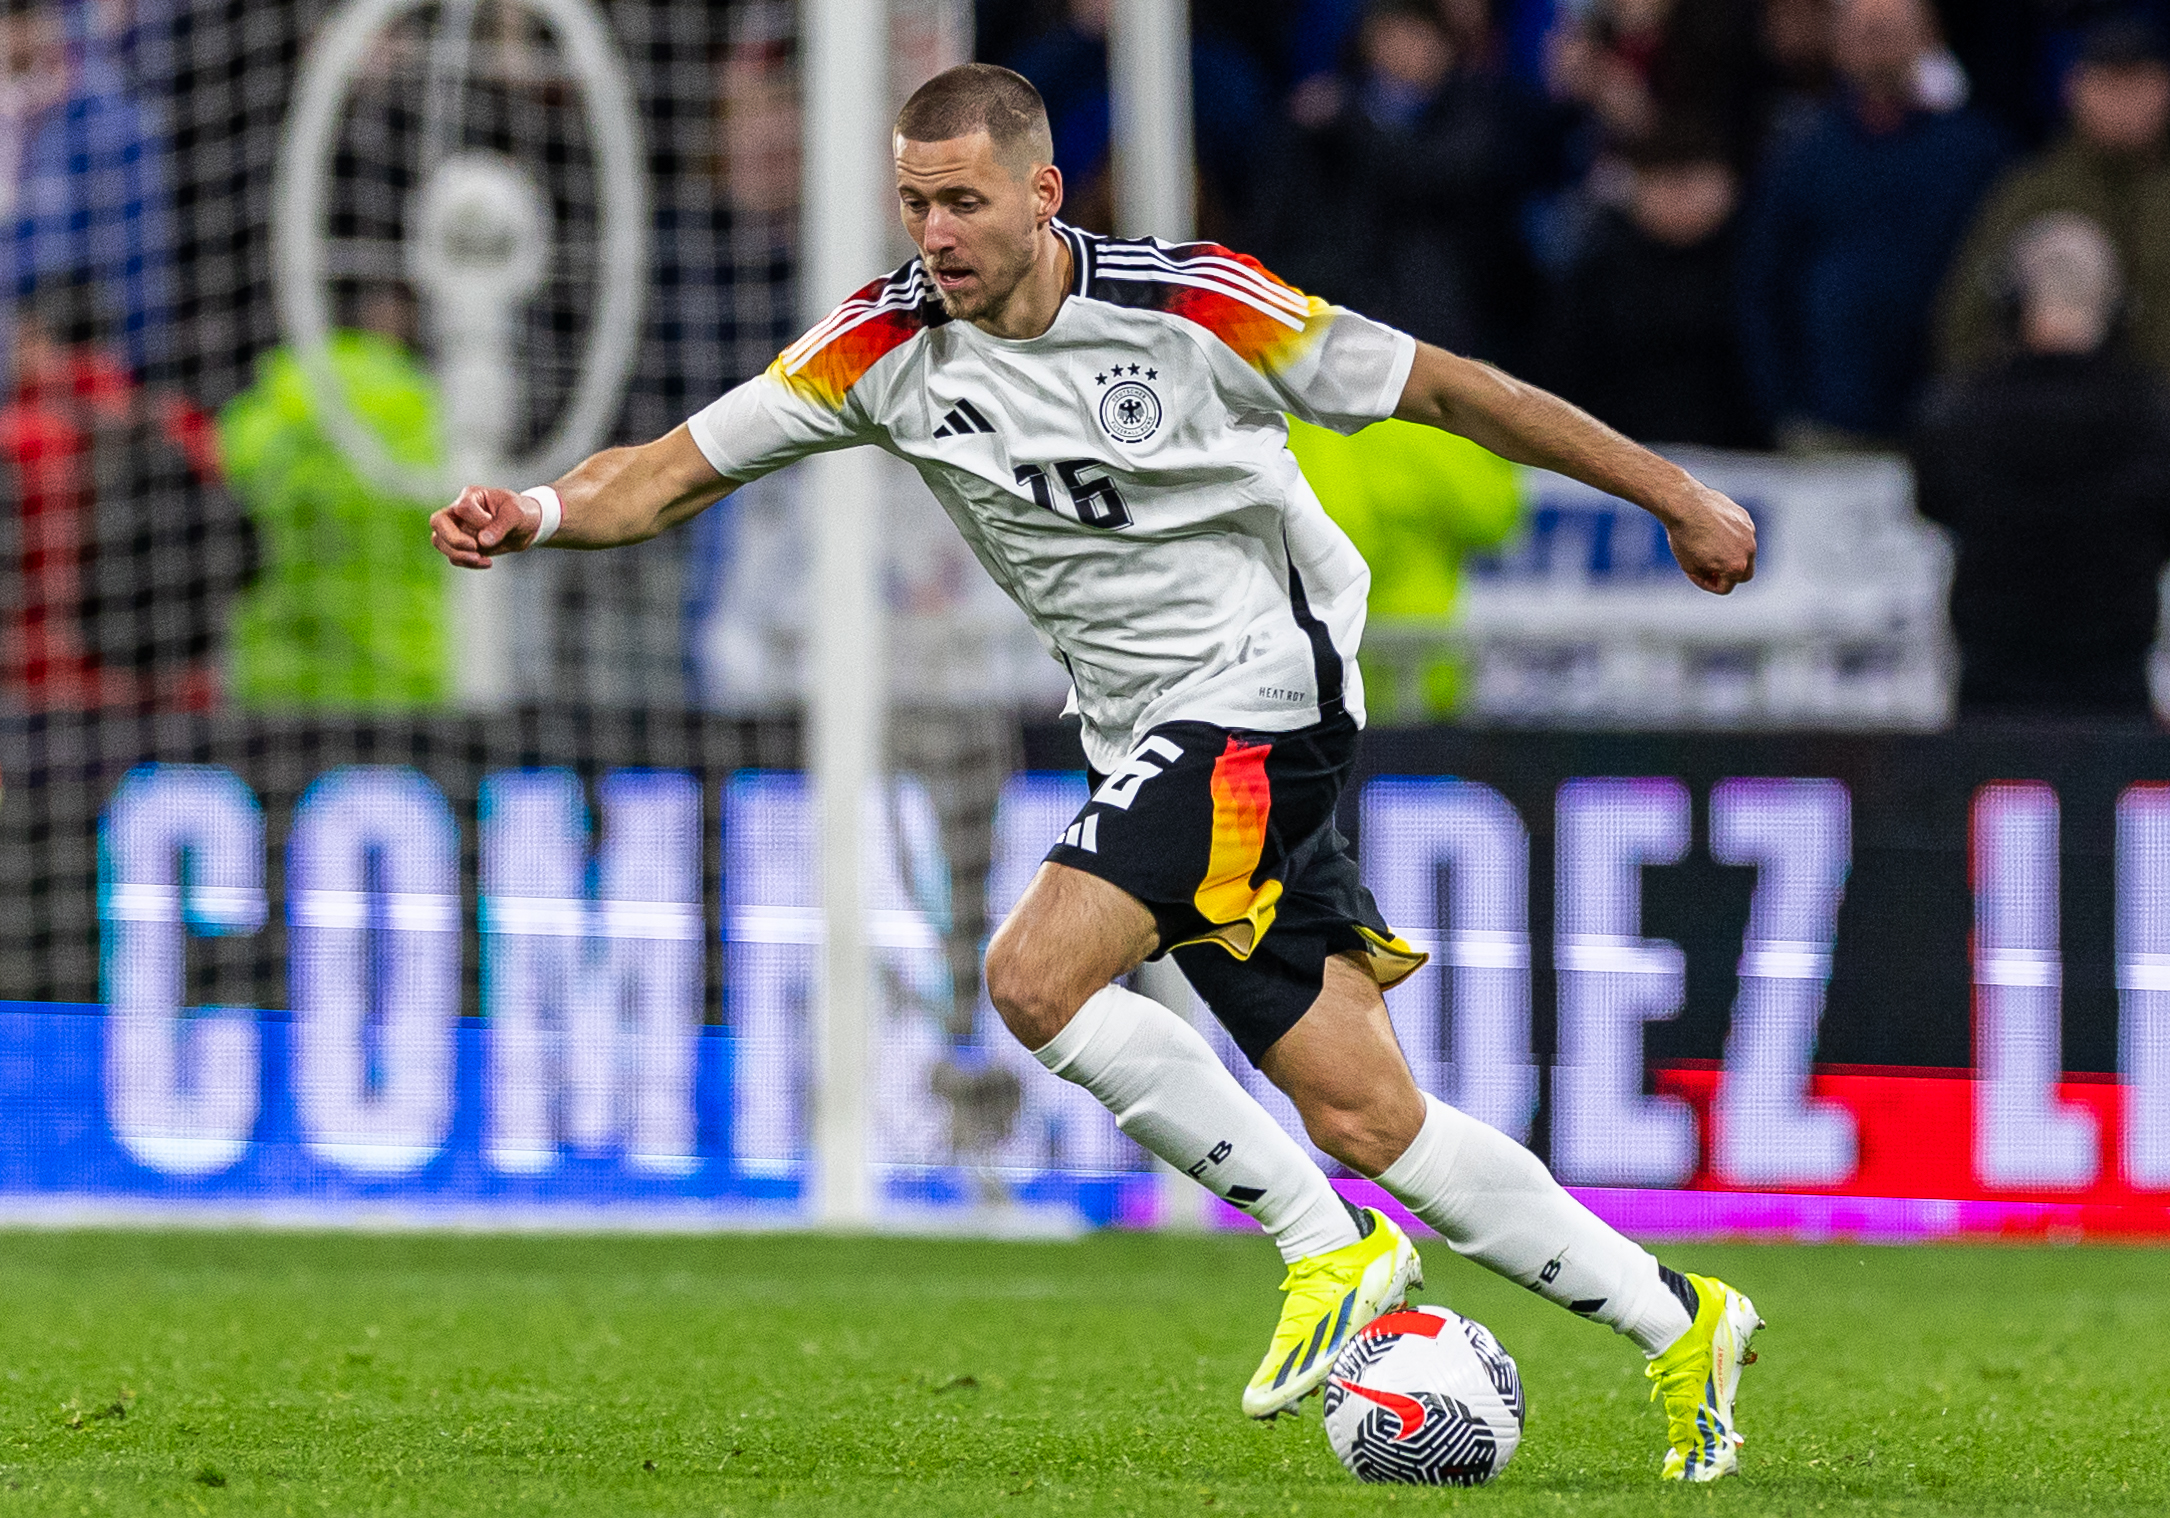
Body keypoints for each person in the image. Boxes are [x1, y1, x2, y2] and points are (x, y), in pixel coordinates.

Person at [430, 63, 1764, 1480]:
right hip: (1149, 735)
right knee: (1367, 1111)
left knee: (1032, 976)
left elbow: (1446, 389)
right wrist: (538, 508)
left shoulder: (1194, 304)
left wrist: (1674, 494)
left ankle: (1329, 1245)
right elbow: (671, 469)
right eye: (911, 201)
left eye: (961, 200)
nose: (932, 232)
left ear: (1041, 193)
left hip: (1268, 698)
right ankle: (1678, 1318)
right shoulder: (880, 343)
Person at [1914, 213, 2170, 720]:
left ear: (2010, 306)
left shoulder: (1960, 411)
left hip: (1993, 689)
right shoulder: (2152, 415)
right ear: (2117, 312)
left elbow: (1933, 502)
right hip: (2113, 691)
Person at [1737, 0, 2006, 448]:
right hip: (1828, 420)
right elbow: (1763, 285)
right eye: (1863, 31)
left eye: (1890, 30)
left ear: (1929, 37)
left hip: (1952, 423)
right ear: (1837, 40)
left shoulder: (1977, 151)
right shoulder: (1802, 154)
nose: (1876, 44)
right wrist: (1782, 403)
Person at [1253, 0, 1543, 363]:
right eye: (1393, 33)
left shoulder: (1475, 112)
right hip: (1337, 313)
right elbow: (1280, 220)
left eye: (1420, 36)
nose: (1405, 50)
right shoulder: (1320, 125)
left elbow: (1428, 175)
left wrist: (1349, 120)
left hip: (1441, 323)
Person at [1937, 16, 2170, 380]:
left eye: (2139, 83)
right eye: (2107, 84)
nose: (2123, 101)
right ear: (2074, 89)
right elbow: (1966, 321)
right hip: (2056, 415)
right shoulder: (2032, 192)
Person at [1536, 129, 1767, 448]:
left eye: (1692, 178)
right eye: (1662, 179)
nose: (1679, 195)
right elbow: (1563, 371)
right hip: (1621, 456)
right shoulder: (1599, 270)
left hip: (1748, 457)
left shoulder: (1762, 266)